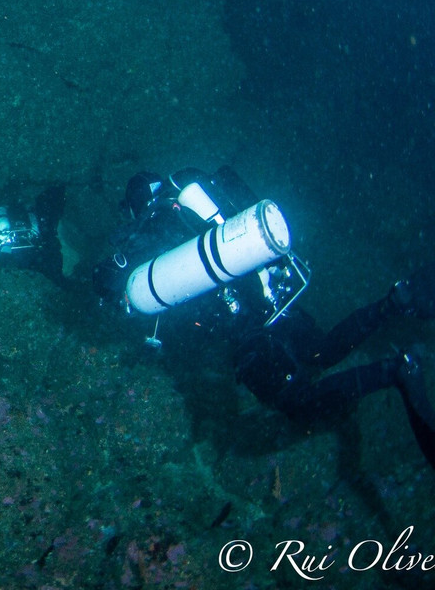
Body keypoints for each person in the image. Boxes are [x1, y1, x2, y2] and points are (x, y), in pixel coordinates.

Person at [91, 165, 435, 469]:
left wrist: (118, 264)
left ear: (135, 207)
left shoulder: (149, 231)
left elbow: (106, 282)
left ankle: (395, 371)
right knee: (321, 351)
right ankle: (393, 302)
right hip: (274, 293)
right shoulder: (200, 203)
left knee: (298, 403)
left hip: (246, 331)